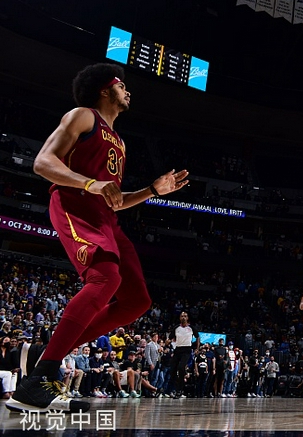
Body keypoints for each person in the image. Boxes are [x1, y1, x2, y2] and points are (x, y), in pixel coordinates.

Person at [8, 64, 189, 414]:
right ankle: (39, 379)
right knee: (105, 277)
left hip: (106, 218)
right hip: (74, 204)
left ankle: (47, 355)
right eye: (121, 85)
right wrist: (90, 184)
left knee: (137, 300)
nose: (128, 90)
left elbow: (115, 199)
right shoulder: (82, 116)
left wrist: (152, 190)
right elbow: (43, 163)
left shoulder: (119, 141)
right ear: (105, 90)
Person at [170, 311, 198, 398]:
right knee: (172, 370)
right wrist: (168, 341)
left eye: (185, 316)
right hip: (178, 349)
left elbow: (197, 337)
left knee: (181, 367)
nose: (183, 317)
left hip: (187, 349)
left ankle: (180, 390)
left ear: (187, 318)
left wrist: (197, 348)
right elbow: (170, 337)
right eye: (182, 316)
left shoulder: (191, 328)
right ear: (179, 318)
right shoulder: (176, 328)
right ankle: (176, 387)